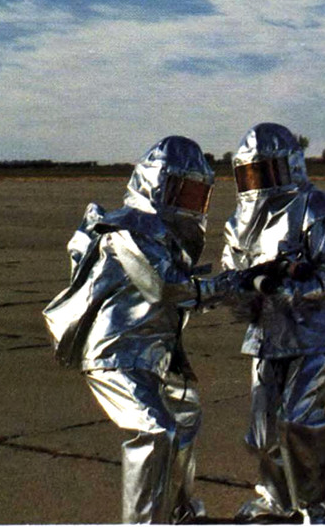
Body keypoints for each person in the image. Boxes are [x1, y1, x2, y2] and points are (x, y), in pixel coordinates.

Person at [43, 136, 243, 524]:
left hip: (154, 355)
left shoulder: (162, 236)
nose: (191, 205)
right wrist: (228, 284)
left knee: (185, 414)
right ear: (157, 184)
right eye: (183, 192)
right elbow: (167, 288)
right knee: (155, 431)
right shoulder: (127, 229)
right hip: (115, 354)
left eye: (198, 196)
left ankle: (178, 510)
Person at [221, 123, 325, 524]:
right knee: (263, 431)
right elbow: (233, 275)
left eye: (266, 170)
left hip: (319, 333)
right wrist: (241, 294)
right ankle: (275, 498)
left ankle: (312, 508)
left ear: (289, 166)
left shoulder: (318, 209)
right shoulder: (240, 222)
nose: (258, 182)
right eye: (249, 173)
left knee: (299, 420)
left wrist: (285, 288)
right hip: (268, 335)